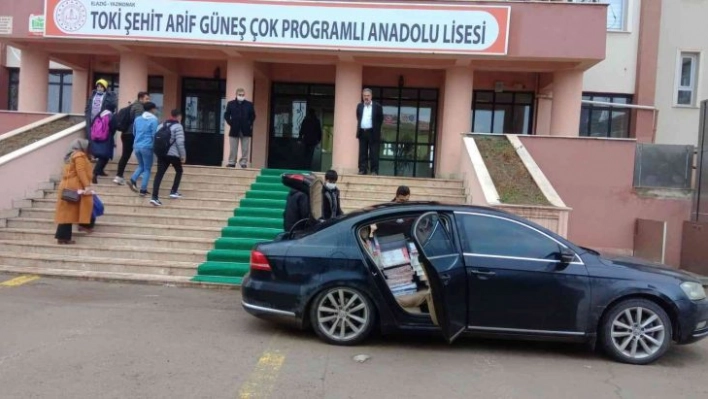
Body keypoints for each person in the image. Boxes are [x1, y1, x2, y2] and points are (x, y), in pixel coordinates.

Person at [54, 139, 95, 244]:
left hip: (68, 185)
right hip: (74, 186)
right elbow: (80, 171)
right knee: (70, 212)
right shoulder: (79, 155)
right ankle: (65, 237)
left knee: (67, 213)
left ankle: (63, 236)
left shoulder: (70, 155)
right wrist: (87, 185)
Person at [150, 109, 187, 206]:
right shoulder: (178, 126)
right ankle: (173, 191)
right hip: (173, 154)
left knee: (159, 174)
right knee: (179, 170)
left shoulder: (161, 125)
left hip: (161, 153)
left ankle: (154, 197)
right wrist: (183, 155)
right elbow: (179, 142)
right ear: (179, 116)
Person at [114, 92, 150, 185]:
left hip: (126, 134)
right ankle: (140, 172)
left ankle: (119, 176)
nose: (148, 100)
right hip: (132, 134)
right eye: (147, 99)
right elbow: (138, 122)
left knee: (125, 155)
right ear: (141, 99)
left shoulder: (133, 106)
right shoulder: (139, 107)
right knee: (141, 153)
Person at [128, 102, 159, 196]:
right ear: (152, 109)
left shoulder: (137, 119)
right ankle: (143, 189)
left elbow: (134, 132)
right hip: (147, 146)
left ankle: (133, 180)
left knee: (141, 166)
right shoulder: (154, 120)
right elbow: (154, 134)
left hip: (137, 145)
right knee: (147, 168)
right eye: (155, 108)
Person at [224, 87, 256, 168]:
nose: (241, 96)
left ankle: (243, 162)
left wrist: (249, 123)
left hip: (245, 129)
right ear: (236, 94)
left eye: (243, 95)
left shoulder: (249, 104)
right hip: (234, 128)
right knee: (233, 147)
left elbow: (253, 115)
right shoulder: (231, 104)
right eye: (240, 94)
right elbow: (226, 115)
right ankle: (232, 162)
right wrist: (231, 123)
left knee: (245, 148)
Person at [356, 88, 384, 175]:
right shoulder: (360, 106)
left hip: (373, 133)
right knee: (362, 152)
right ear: (362, 96)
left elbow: (380, 119)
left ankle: (374, 170)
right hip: (362, 132)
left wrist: (376, 129)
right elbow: (358, 116)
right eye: (364, 96)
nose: (366, 97)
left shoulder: (377, 106)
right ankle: (362, 169)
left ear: (371, 96)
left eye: (368, 96)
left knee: (374, 152)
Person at [90, 109, 117, 184]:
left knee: (103, 156)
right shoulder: (110, 116)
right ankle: (95, 173)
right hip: (107, 138)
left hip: (98, 138)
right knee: (104, 156)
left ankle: (100, 171)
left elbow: (92, 124)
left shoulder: (99, 115)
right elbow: (113, 127)